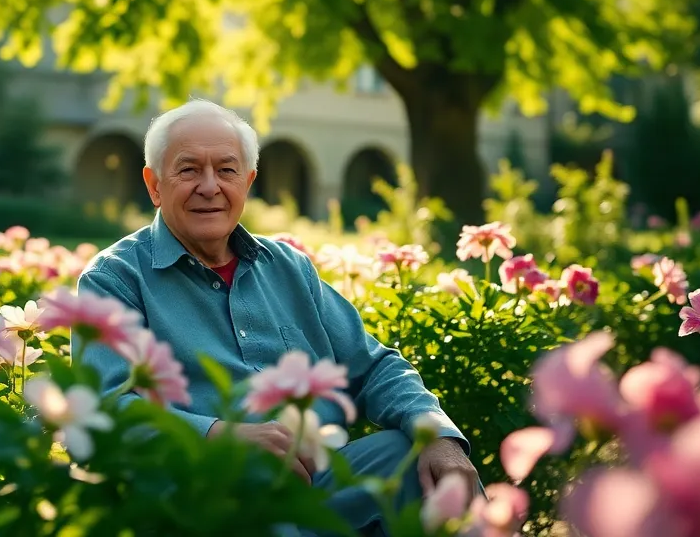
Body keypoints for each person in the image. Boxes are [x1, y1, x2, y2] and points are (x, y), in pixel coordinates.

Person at [74, 99, 480, 535]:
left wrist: (440, 435)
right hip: (210, 499)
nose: (210, 186)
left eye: (227, 170)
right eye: (189, 169)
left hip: (319, 482)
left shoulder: (288, 266)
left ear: (247, 182)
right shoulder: (114, 279)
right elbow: (104, 410)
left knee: (426, 464)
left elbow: (375, 367)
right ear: (154, 185)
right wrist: (221, 437)